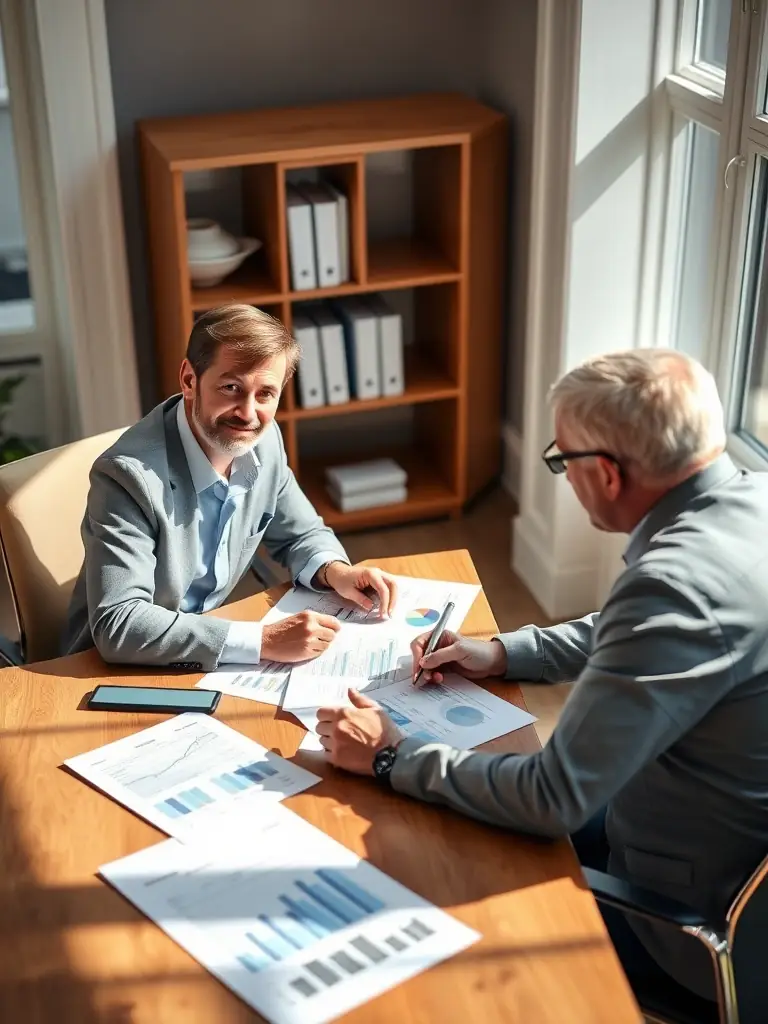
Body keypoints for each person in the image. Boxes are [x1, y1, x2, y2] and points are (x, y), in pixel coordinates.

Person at [316, 348, 768, 1003]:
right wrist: (502, 653)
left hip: (694, 919)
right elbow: (651, 636)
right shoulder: (751, 501)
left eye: (562, 461)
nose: (564, 475)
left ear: (607, 474)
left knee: (438, 879)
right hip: (721, 838)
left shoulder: (673, 589)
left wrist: (390, 755)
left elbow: (551, 799)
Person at [64, 303, 397, 669]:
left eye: (265, 394)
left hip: (201, 651)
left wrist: (336, 570)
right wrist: (261, 640)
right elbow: (120, 625)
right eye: (231, 387)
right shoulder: (127, 477)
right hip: (106, 671)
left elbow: (299, 534)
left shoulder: (265, 442)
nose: (248, 413)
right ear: (189, 380)